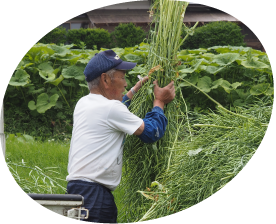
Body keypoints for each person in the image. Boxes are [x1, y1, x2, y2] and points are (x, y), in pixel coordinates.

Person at [66, 50, 175, 223]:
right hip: (95, 196)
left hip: (76, 189)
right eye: (123, 77)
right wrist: (159, 102)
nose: (126, 84)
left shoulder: (84, 103)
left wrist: (133, 91)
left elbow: (113, 109)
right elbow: (151, 132)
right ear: (105, 79)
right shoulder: (111, 109)